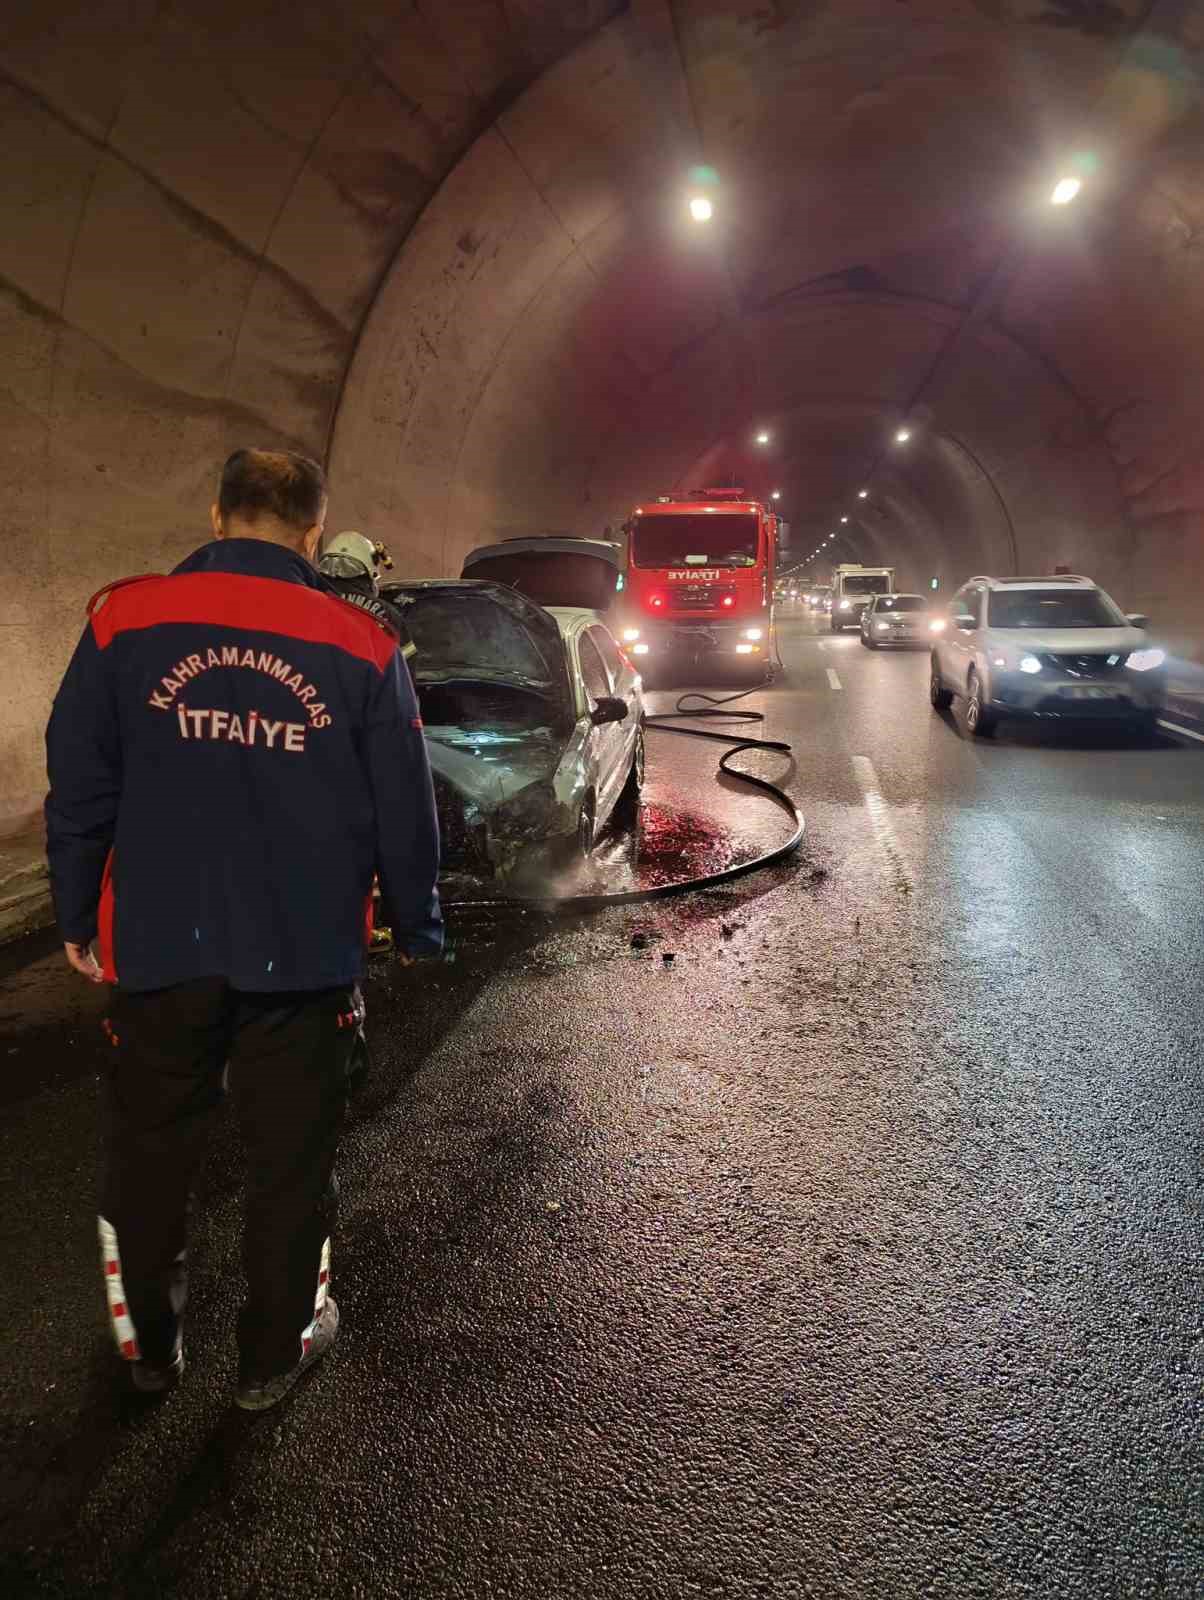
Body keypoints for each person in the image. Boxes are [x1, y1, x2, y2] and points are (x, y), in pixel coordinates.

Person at [45, 448, 441, 1409]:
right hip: (301, 954)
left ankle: (146, 1351)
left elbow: (81, 785)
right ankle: (270, 1359)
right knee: (290, 1165)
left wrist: (75, 913)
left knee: (149, 1155)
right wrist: (416, 924)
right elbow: (404, 805)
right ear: (313, 533)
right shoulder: (362, 645)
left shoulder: (121, 621)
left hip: (158, 946)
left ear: (217, 515)